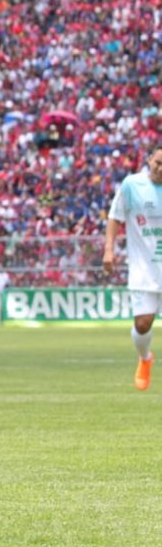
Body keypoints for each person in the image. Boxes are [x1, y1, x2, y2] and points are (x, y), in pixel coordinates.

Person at [103, 146, 162, 390]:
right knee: (143, 324)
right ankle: (145, 358)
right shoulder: (131, 185)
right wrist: (109, 250)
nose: (161, 168)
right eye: (158, 162)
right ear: (149, 160)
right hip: (144, 269)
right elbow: (115, 218)